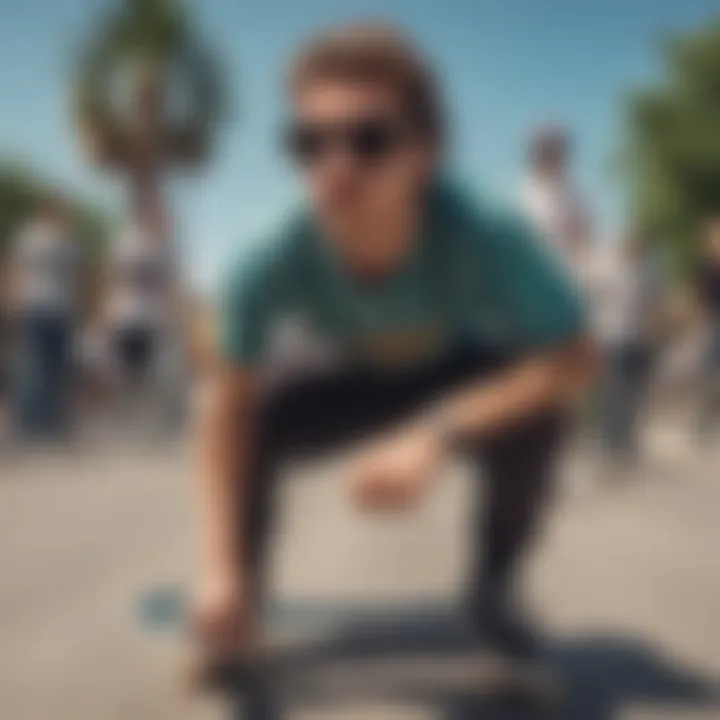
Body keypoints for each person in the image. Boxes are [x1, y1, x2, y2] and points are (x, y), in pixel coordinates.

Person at [195, 24, 596, 670]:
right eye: (309, 143)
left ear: (427, 153)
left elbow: (577, 357)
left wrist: (437, 435)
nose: (337, 164)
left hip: (451, 372)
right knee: (257, 414)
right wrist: (218, 564)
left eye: (370, 140)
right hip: (348, 373)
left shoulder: (486, 228)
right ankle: (242, 594)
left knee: (536, 406)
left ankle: (495, 587)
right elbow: (224, 404)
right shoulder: (269, 254)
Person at [6, 194, 82, 440]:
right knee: (34, 364)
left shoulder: (67, 242)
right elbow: (16, 268)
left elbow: (74, 278)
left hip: (59, 309)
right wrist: (13, 300)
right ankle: (29, 422)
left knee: (55, 365)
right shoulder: (32, 237)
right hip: (35, 305)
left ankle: (50, 422)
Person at [592, 229, 665, 465]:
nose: (637, 248)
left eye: (640, 245)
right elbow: (595, 301)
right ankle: (610, 443)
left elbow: (655, 308)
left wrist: (654, 335)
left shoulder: (649, 275)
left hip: (640, 340)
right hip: (614, 338)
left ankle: (625, 440)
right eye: (633, 243)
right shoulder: (609, 271)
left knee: (634, 393)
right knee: (615, 392)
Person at [521, 125, 593, 283]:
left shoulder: (575, 192)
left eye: (556, 150)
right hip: (533, 276)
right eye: (547, 150)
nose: (553, 155)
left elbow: (586, 233)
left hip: (572, 275)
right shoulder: (523, 194)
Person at [694, 216, 720, 440]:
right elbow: (702, 299)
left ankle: (706, 419)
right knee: (708, 374)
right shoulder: (707, 268)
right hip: (711, 322)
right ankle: (702, 421)